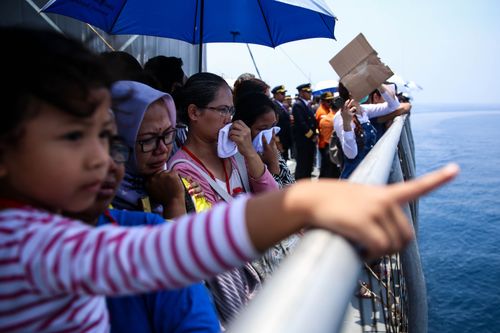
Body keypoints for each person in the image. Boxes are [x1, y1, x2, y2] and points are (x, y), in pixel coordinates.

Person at [0, 26, 459, 333]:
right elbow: (166, 251)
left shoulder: (62, 230)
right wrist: (302, 206)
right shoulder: (25, 243)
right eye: (73, 136)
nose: (102, 158)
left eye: (107, 137)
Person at [65, 125, 221, 333]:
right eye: (147, 139)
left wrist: (176, 201)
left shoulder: (175, 189)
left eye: (168, 135)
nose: (163, 148)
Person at [168, 72, 279, 325]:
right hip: (232, 290)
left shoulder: (235, 153)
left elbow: (272, 199)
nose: (229, 118)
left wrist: (250, 153)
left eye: (231, 109)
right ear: (194, 113)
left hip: (260, 274)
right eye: (222, 110)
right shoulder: (181, 169)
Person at [334, 82, 402, 179]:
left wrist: (378, 82)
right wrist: (346, 123)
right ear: (350, 91)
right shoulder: (340, 117)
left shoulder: (363, 110)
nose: (367, 88)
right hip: (354, 179)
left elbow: (394, 105)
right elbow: (351, 154)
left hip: (368, 174)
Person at [292, 83, 318, 179]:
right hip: (303, 140)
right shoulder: (297, 105)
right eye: (308, 92)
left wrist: (316, 134)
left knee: (308, 164)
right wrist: (312, 136)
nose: (310, 93)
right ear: (302, 93)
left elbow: (313, 122)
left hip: (309, 141)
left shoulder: (306, 104)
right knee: (303, 165)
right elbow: (301, 124)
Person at [317, 93, 341, 178]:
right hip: (328, 144)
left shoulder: (329, 115)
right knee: (330, 172)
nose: (329, 102)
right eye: (328, 101)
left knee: (329, 170)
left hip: (329, 145)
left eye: (331, 101)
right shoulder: (327, 117)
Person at [271, 85, 294, 162]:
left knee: (285, 160)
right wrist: (278, 141)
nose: (284, 95)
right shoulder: (273, 105)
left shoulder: (282, 105)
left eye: (284, 93)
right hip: (280, 140)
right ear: (275, 95)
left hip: (286, 138)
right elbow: (274, 124)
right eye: (282, 93)